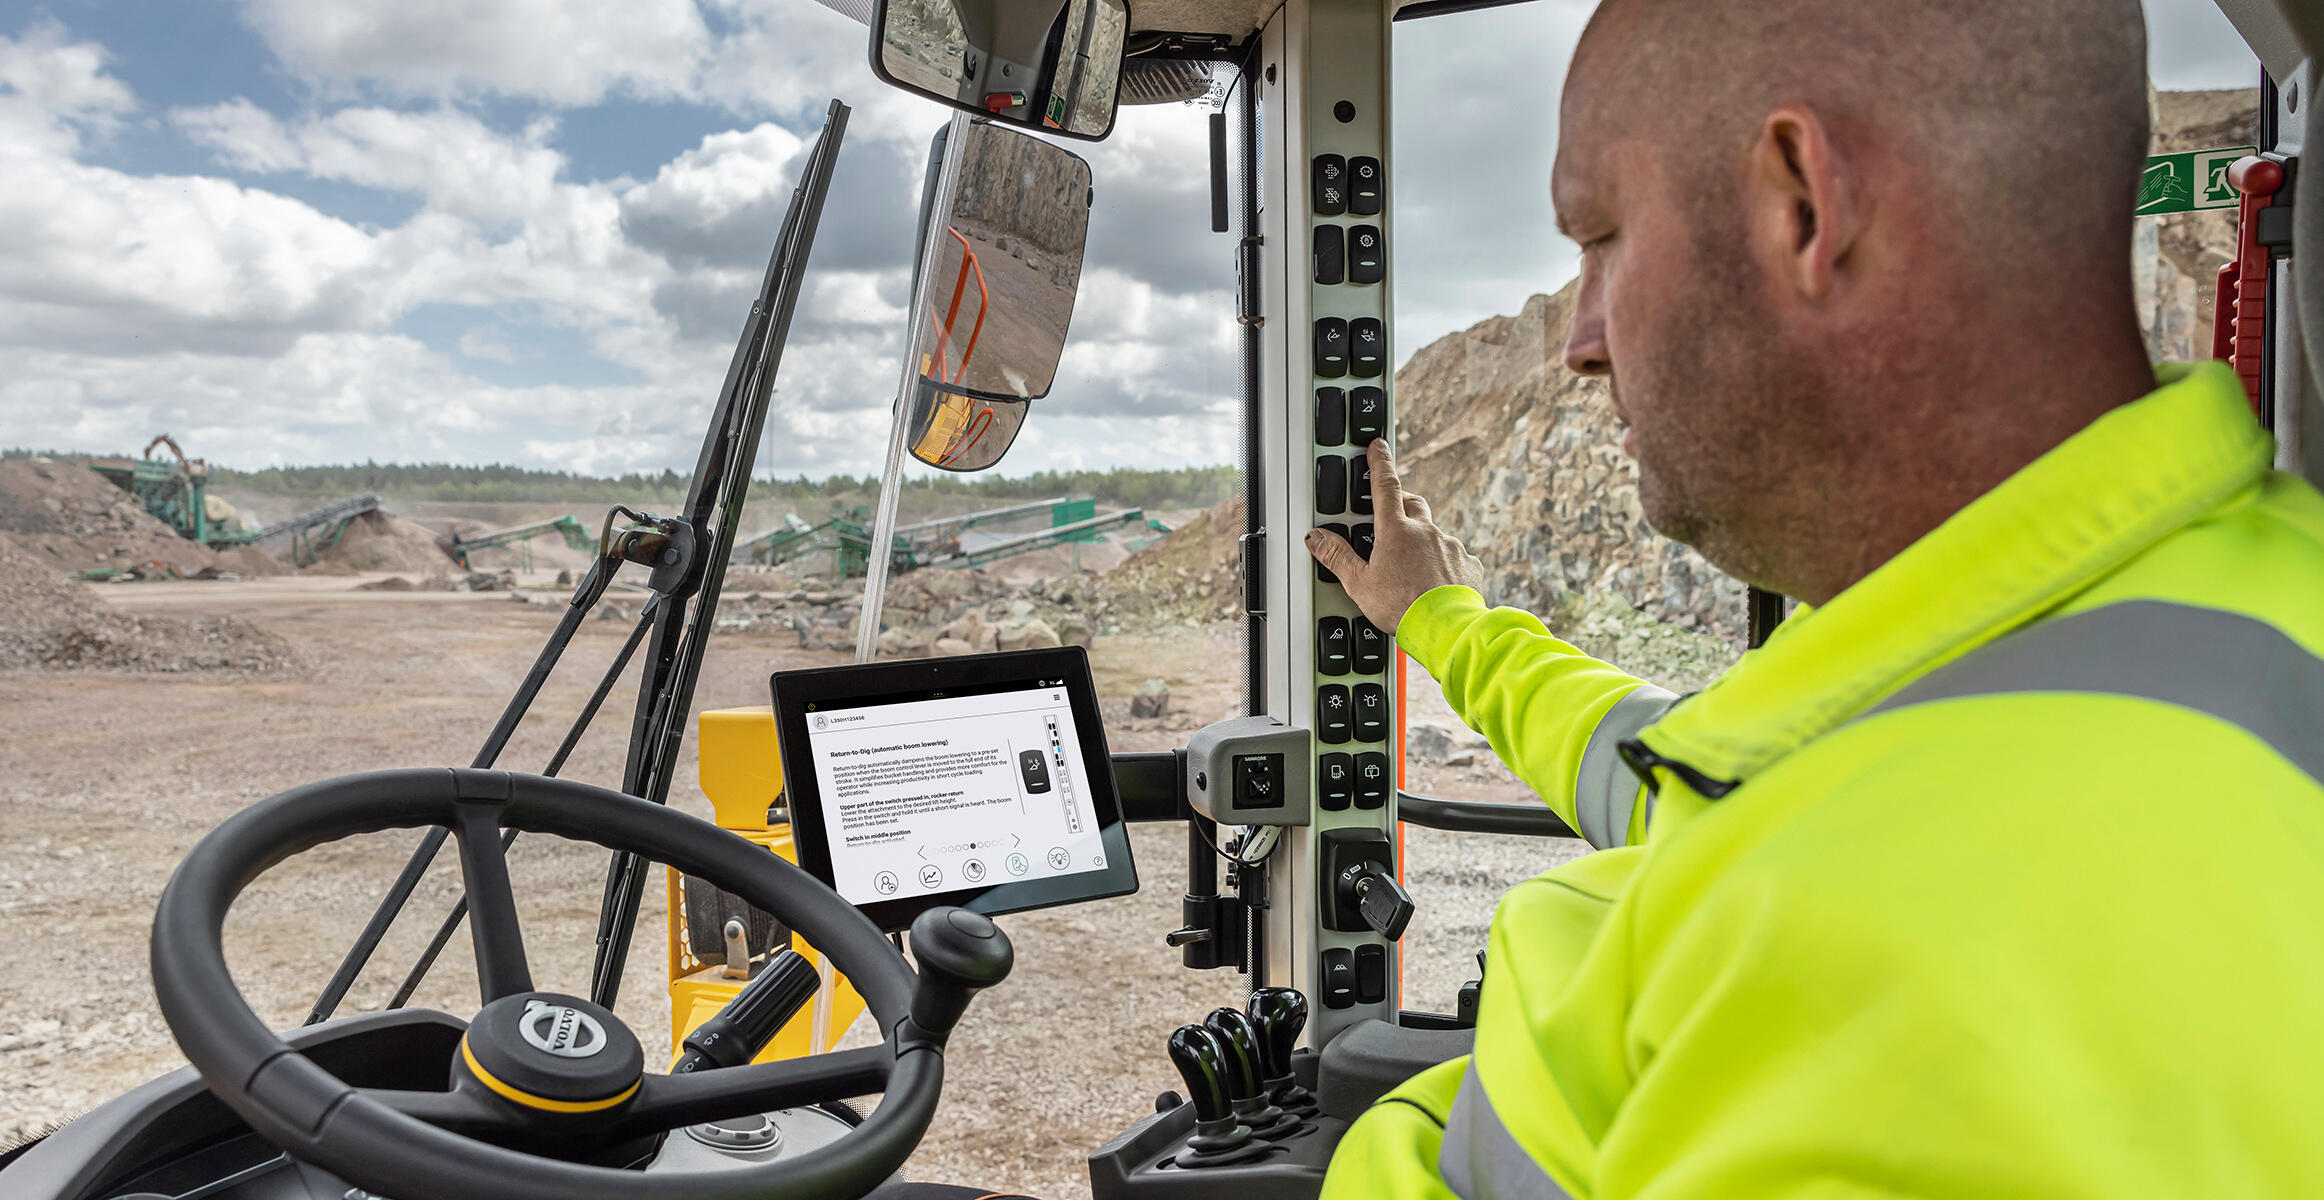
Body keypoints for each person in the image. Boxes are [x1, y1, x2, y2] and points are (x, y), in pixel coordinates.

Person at [1308, 0, 2324, 1195]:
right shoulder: (2180, 622)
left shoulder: (1886, 957)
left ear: (1802, 201)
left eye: (1602, 239)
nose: (1577, 340)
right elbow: (1661, 771)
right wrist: (1439, 621)